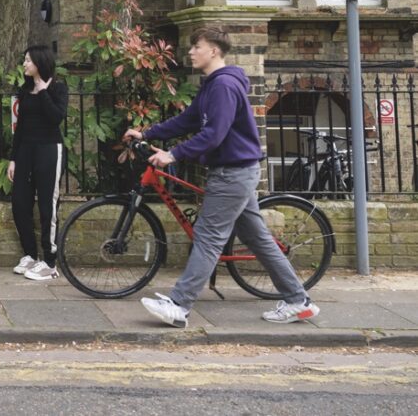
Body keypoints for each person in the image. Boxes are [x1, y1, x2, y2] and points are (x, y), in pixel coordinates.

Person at [125, 25, 320, 327]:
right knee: (259, 240)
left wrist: (172, 154)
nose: (190, 51)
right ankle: (298, 300)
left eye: (196, 46)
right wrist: (148, 133)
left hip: (232, 173)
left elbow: (214, 134)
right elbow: (187, 120)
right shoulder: (213, 84)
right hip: (235, 171)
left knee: (207, 238)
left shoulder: (224, 86)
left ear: (214, 50)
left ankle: (179, 305)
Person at [7, 45, 70, 281]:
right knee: (20, 203)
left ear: (39, 63)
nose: (24, 64)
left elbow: (56, 118)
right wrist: (13, 158)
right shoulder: (24, 90)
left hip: (49, 149)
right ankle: (30, 255)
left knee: (47, 206)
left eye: (27, 61)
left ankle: (50, 262)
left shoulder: (58, 88)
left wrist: (44, 92)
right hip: (25, 151)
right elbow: (20, 127)